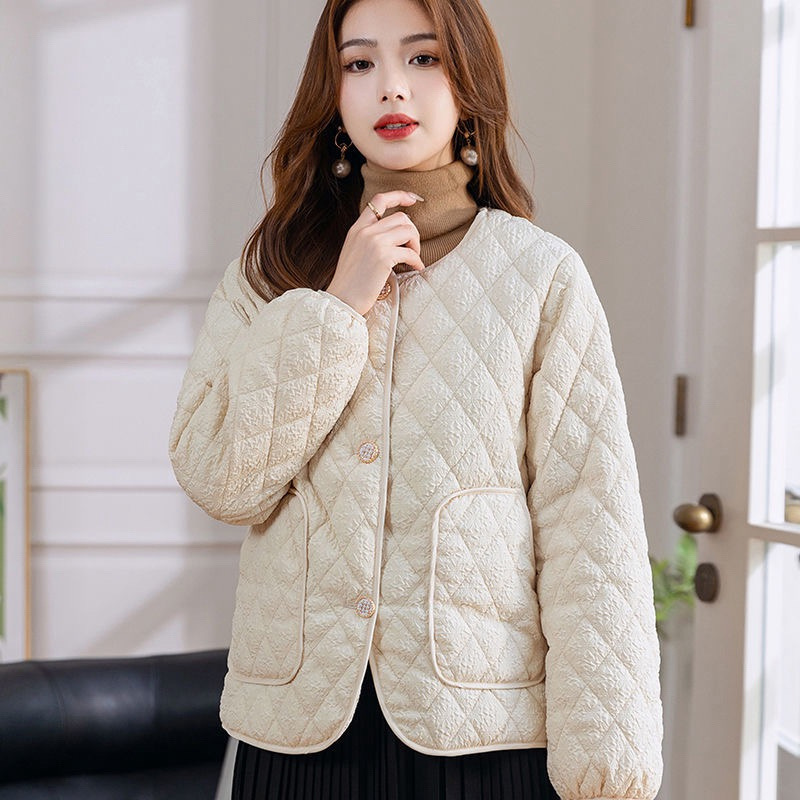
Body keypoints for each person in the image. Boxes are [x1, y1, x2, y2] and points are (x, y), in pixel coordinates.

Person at [169, 0, 663, 798]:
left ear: (468, 82)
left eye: (423, 58)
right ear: (332, 93)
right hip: (298, 741)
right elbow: (221, 479)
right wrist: (338, 306)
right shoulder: (269, 272)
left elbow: (591, 530)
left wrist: (607, 775)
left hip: (479, 740)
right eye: (360, 63)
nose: (391, 87)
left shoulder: (540, 276)